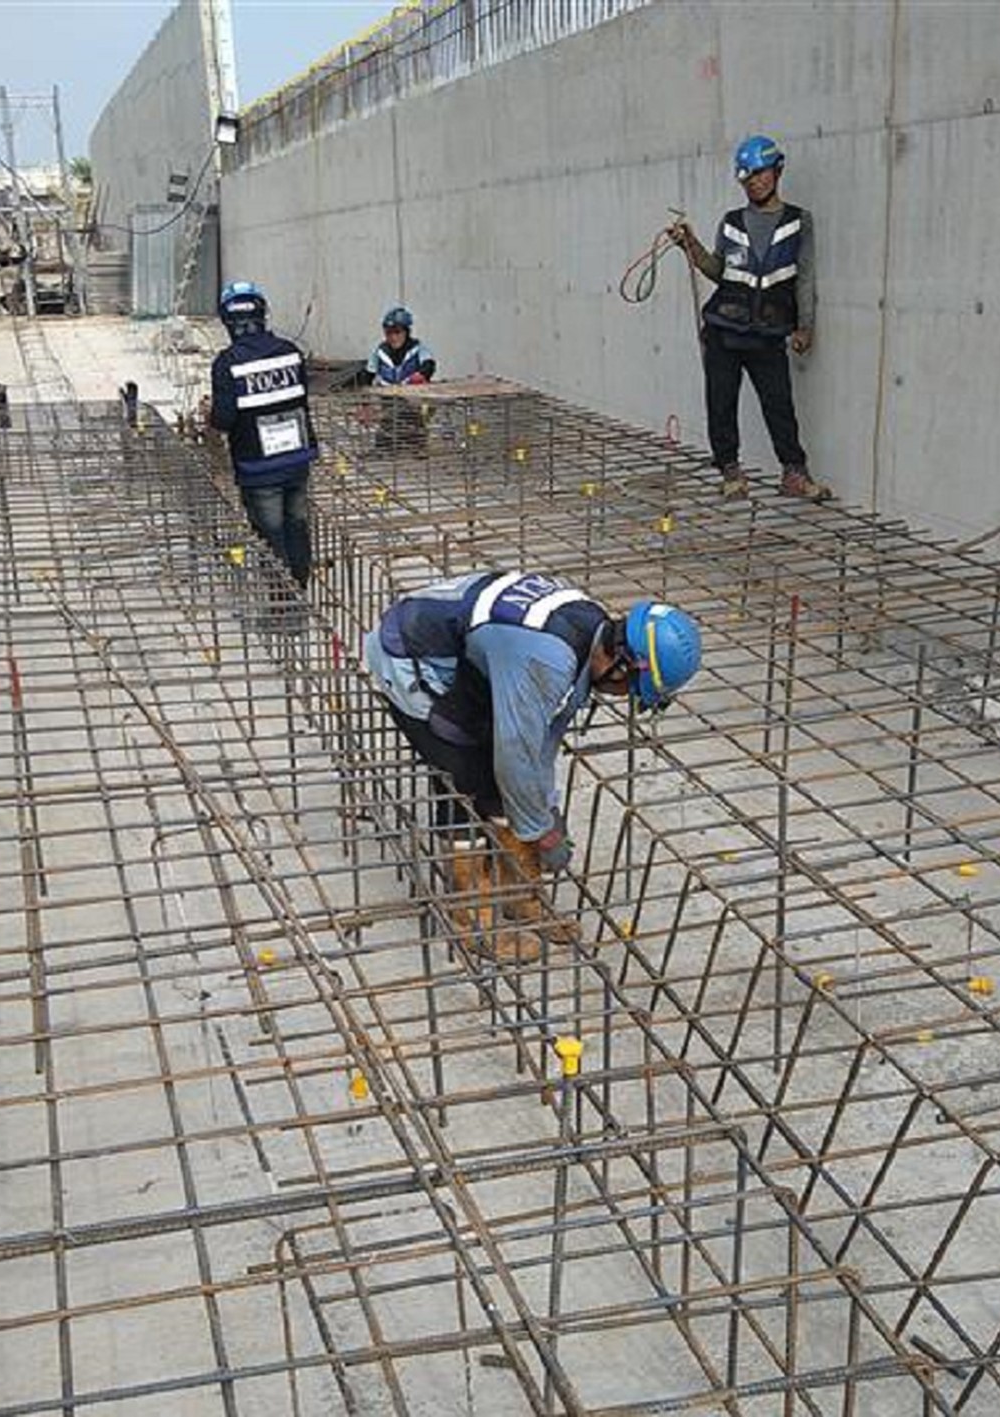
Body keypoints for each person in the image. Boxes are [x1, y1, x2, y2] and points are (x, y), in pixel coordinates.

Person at [365, 571, 703, 962]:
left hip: (466, 654)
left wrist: (546, 809)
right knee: (465, 778)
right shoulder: (548, 658)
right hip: (411, 652)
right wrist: (543, 834)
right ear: (623, 664)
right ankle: (470, 916)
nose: (622, 696)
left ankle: (517, 895)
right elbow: (515, 755)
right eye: (630, 690)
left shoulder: (587, 635)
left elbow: (541, 739)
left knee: (506, 781)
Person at [668, 134, 831, 502]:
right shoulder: (731, 222)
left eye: (760, 173)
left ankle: (794, 473)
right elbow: (717, 270)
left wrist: (805, 326)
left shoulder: (798, 221)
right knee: (720, 402)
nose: (754, 181)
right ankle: (730, 471)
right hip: (724, 331)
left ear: (776, 171)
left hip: (768, 333)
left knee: (780, 405)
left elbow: (805, 278)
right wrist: (689, 245)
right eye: (746, 176)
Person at [207, 281, 318, 586]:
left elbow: (224, 419)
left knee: (271, 535)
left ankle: (284, 605)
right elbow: (301, 399)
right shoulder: (290, 352)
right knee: (296, 525)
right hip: (297, 459)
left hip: (258, 467)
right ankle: (301, 585)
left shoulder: (227, 363)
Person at [347, 306, 437, 451]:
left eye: (397, 332)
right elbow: (367, 375)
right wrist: (365, 404)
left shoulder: (417, 348)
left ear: (406, 332)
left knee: (414, 424)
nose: (393, 337)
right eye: (389, 333)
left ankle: (417, 446)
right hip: (388, 397)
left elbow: (429, 364)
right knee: (388, 426)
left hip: (411, 397)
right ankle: (384, 449)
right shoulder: (381, 351)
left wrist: (421, 375)